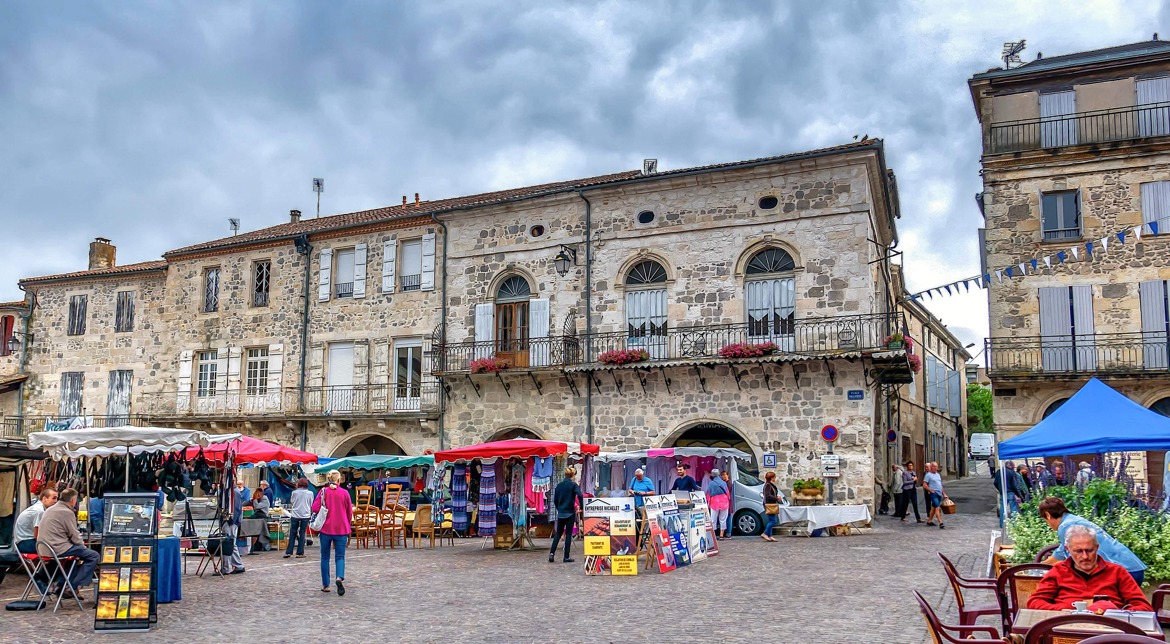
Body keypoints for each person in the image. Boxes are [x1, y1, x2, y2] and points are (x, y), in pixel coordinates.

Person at [1027, 524, 1153, 611]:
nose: (1085, 556)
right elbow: (1034, 602)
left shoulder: (1117, 571)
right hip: (1067, 628)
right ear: (1068, 550)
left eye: (1089, 550)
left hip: (1108, 631)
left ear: (1097, 548)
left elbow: (1144, 607)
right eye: (1078, 551)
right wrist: (1067, 610)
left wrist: (1116, 613)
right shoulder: (1058, 571)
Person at [1037, 497, 1147, 584]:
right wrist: (1042, 565)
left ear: (1048, 515)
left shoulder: (1065, 526)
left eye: (1045, 520)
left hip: (1122, 573)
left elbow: (1073, 559)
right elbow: (1062, 550)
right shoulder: (1073, 520)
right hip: (1133, 567)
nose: (1049, 525)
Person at [37, 487, 99, 600]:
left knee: (75, 559)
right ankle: (73, 586)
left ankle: (61, 586)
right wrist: (83, 547)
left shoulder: (51, 509)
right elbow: (74, 535)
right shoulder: (66, 512)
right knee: (93, 556)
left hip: (44, 548)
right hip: (57, 548)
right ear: (73, 500)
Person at [312, 470, 354, 595]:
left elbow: (314, 508)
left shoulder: (323, 492)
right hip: (341, 528)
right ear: (339, 480)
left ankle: (326, 585)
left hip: (326, 529)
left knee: (325, 557)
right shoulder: (345, 493)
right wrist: (348, 525)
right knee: (340, 557)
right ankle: (339, 577)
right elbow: (349, 512)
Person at [548, 466, 583, 563]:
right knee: (568, 535)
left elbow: (555, 500)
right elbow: (580, 495)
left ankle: (551, 554)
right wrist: (582, 506)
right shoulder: (573, 485)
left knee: (558, 534)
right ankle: (566, 556)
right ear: (573, 476)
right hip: (570, 512)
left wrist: (559, 507)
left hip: (561, 512)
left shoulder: (559, 485)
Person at [15, 487, 58, 554]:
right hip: (25, 543)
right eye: (54, 498)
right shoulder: (39, 511)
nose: (56, 501)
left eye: (56, 498)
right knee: (58, 548)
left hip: (23, 541)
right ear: (44, 499)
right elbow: (37, 535)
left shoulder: (39, 508)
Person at [220, 479, 248, 576]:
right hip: (230, 521)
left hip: (231, 521)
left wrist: (231, 520)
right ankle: (235, 565)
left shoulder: (234, 492)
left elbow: (235, 508)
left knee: (229, 543)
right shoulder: (231, 492)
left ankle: (229, 567)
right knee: (230, 543)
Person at [285, 478, 312, 559]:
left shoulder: (294, 492)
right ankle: (300, 552)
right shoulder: (310, 493)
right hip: (305, 515)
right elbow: (311, 503)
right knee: (302, 533)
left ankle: (289, 552)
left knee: (292, 532)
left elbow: (292, 501)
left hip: (295, 514)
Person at [707, 469, 731, 539]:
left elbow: (708, 494)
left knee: (713, 518)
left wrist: (708, 502)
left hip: (714, 502)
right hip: (724, 502)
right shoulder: (723, 483)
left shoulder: (711, 483)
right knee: (723, 519)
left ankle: (713, 535)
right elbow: (727, 494)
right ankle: (721, 534)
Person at [246, 488, 271, 553]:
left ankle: (254, 548)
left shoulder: (265, 500)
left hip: (262, 518)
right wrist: (251, 500)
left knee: (255, 533)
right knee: (253, 532)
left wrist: (255, 499)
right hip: (256, 517)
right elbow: (244, 503)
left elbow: (256, 506)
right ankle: (251, 548)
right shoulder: (257, 499)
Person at [923, 462, 947, 529]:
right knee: (937, 507)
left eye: (936, 466)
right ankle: (941, 522)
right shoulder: (928, 475)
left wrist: (944, 494)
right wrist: (930, 491)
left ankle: (929, 521)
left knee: (933, 508)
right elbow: (924, 485)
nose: (936, 468)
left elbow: (940, 485)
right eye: (934, 466)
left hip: (939, 494)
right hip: (933, 494)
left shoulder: (938, 475)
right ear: (931, 467)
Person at [761, 472, 779, 542]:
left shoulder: (769, 485)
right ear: (772, 478)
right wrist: (776, 498)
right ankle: (765, 533)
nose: (775, 478)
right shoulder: (768, 485)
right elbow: (768, 495)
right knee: (772, 521)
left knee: (770, 520)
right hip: (769, 505)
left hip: (770, 504)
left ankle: (770, 535)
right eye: (774, 477)